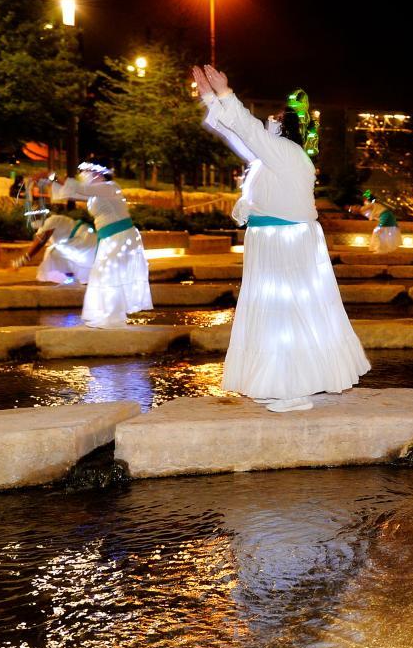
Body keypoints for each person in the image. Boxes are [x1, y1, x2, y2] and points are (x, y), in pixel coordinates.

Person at [194, 65, 370, 413]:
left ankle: (293, 389)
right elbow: (238, 135)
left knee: (287, 315)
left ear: (285, 128)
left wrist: (225, 94)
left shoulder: (285, 153)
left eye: (274, 119)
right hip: (273, 242)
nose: (268, 122)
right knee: (275, 316)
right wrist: (210, 98)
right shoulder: (269, 157)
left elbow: (247, 130)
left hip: (285, 243)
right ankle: (275, 382)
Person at [52, 164, 152, 328]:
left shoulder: (110, 187)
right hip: (108, 239)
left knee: (109, 274)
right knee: (102, 274)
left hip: (121, 237)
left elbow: (79, 188)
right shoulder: (94, 194)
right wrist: (49, 181)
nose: (84, 175)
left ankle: (113, 317)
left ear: (98, 173)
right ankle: (106, 315)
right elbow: (71, 193)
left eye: (87, 172)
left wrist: (53, 177)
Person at [11, 211, 96, 284]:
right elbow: (38, 239)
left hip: (84, 240)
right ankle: (71, 277)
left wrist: (23, 260)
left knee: (54, 252)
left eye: (34, 217)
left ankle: (72, 277)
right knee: (57, 252)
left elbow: (40, 242)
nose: (33, 220)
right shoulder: (49, 222)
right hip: (80, 241)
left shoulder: (50, 221)